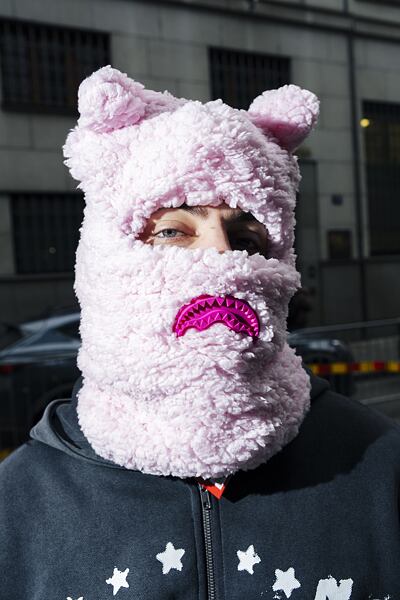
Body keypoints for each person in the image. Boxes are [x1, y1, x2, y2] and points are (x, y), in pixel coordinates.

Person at [1, 66, 399, 600]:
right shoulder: (20, 504)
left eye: (247, 238)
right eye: (172, 231)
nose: (222, 257)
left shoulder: (381, 466)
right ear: (103, 261)